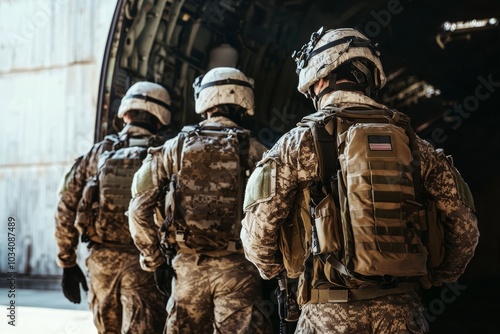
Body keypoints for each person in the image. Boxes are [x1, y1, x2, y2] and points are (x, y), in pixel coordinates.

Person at [240, 27, 480, 334]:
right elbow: (465, 229)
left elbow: (257, 238)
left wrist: (280, 269)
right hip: (402, 313)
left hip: (327, 315)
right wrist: (439, 275)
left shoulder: (296, 145)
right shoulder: (415, 146)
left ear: (321, 76)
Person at [128, 67, 273, 334]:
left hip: (187, 271)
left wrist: (154, 260)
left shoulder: (172, 149)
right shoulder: (259, 152)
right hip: (239, 271)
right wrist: (269, 266)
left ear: (204, 100)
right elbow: (272, 213)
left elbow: (138, 210)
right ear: (245, 102)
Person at [54, 81, 173, 333]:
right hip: (145, 264)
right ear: (162, 118)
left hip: (102, 262)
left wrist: (67, 262)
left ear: (126, 113)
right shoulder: (165, 153)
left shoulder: (98, 153)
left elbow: (66, 206)